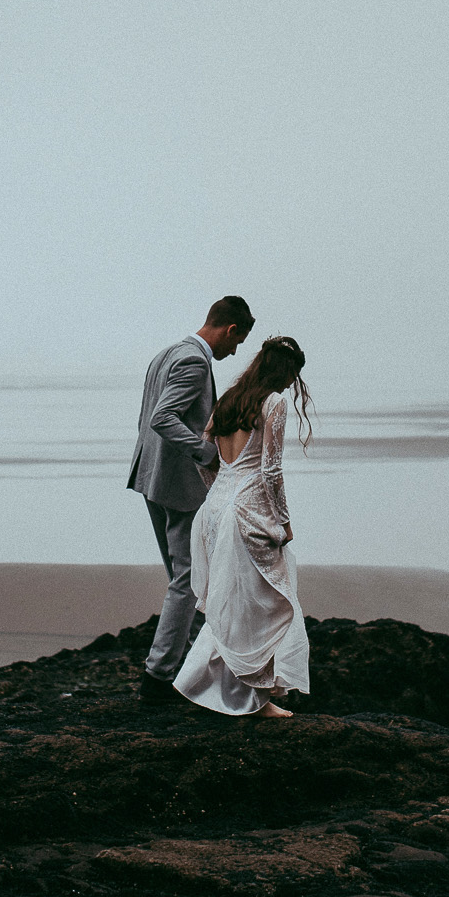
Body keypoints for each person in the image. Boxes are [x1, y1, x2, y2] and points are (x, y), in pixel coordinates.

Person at [173, 335, 312, 718]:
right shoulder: (273, 403)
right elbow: (270, 470)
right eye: (292, 374)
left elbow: (205, 455)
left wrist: (218, 493)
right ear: (285, 371)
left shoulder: (228, 400)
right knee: (264, 604)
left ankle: (235, 694)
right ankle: (253, 701)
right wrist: (283, 522)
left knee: (229, 603)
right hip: (246, 512)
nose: (290, 384)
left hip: (215, 509)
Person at [128, 295, 254, 703]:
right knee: (187, 581)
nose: (233, 352)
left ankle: (176, 668)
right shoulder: (195, 361)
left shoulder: (165, 353)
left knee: (180, 580)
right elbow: (162, 418)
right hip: (178, 485)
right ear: (230, 329)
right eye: (236, 343)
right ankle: (158, 678)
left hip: (150, 478)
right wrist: (207, 453)